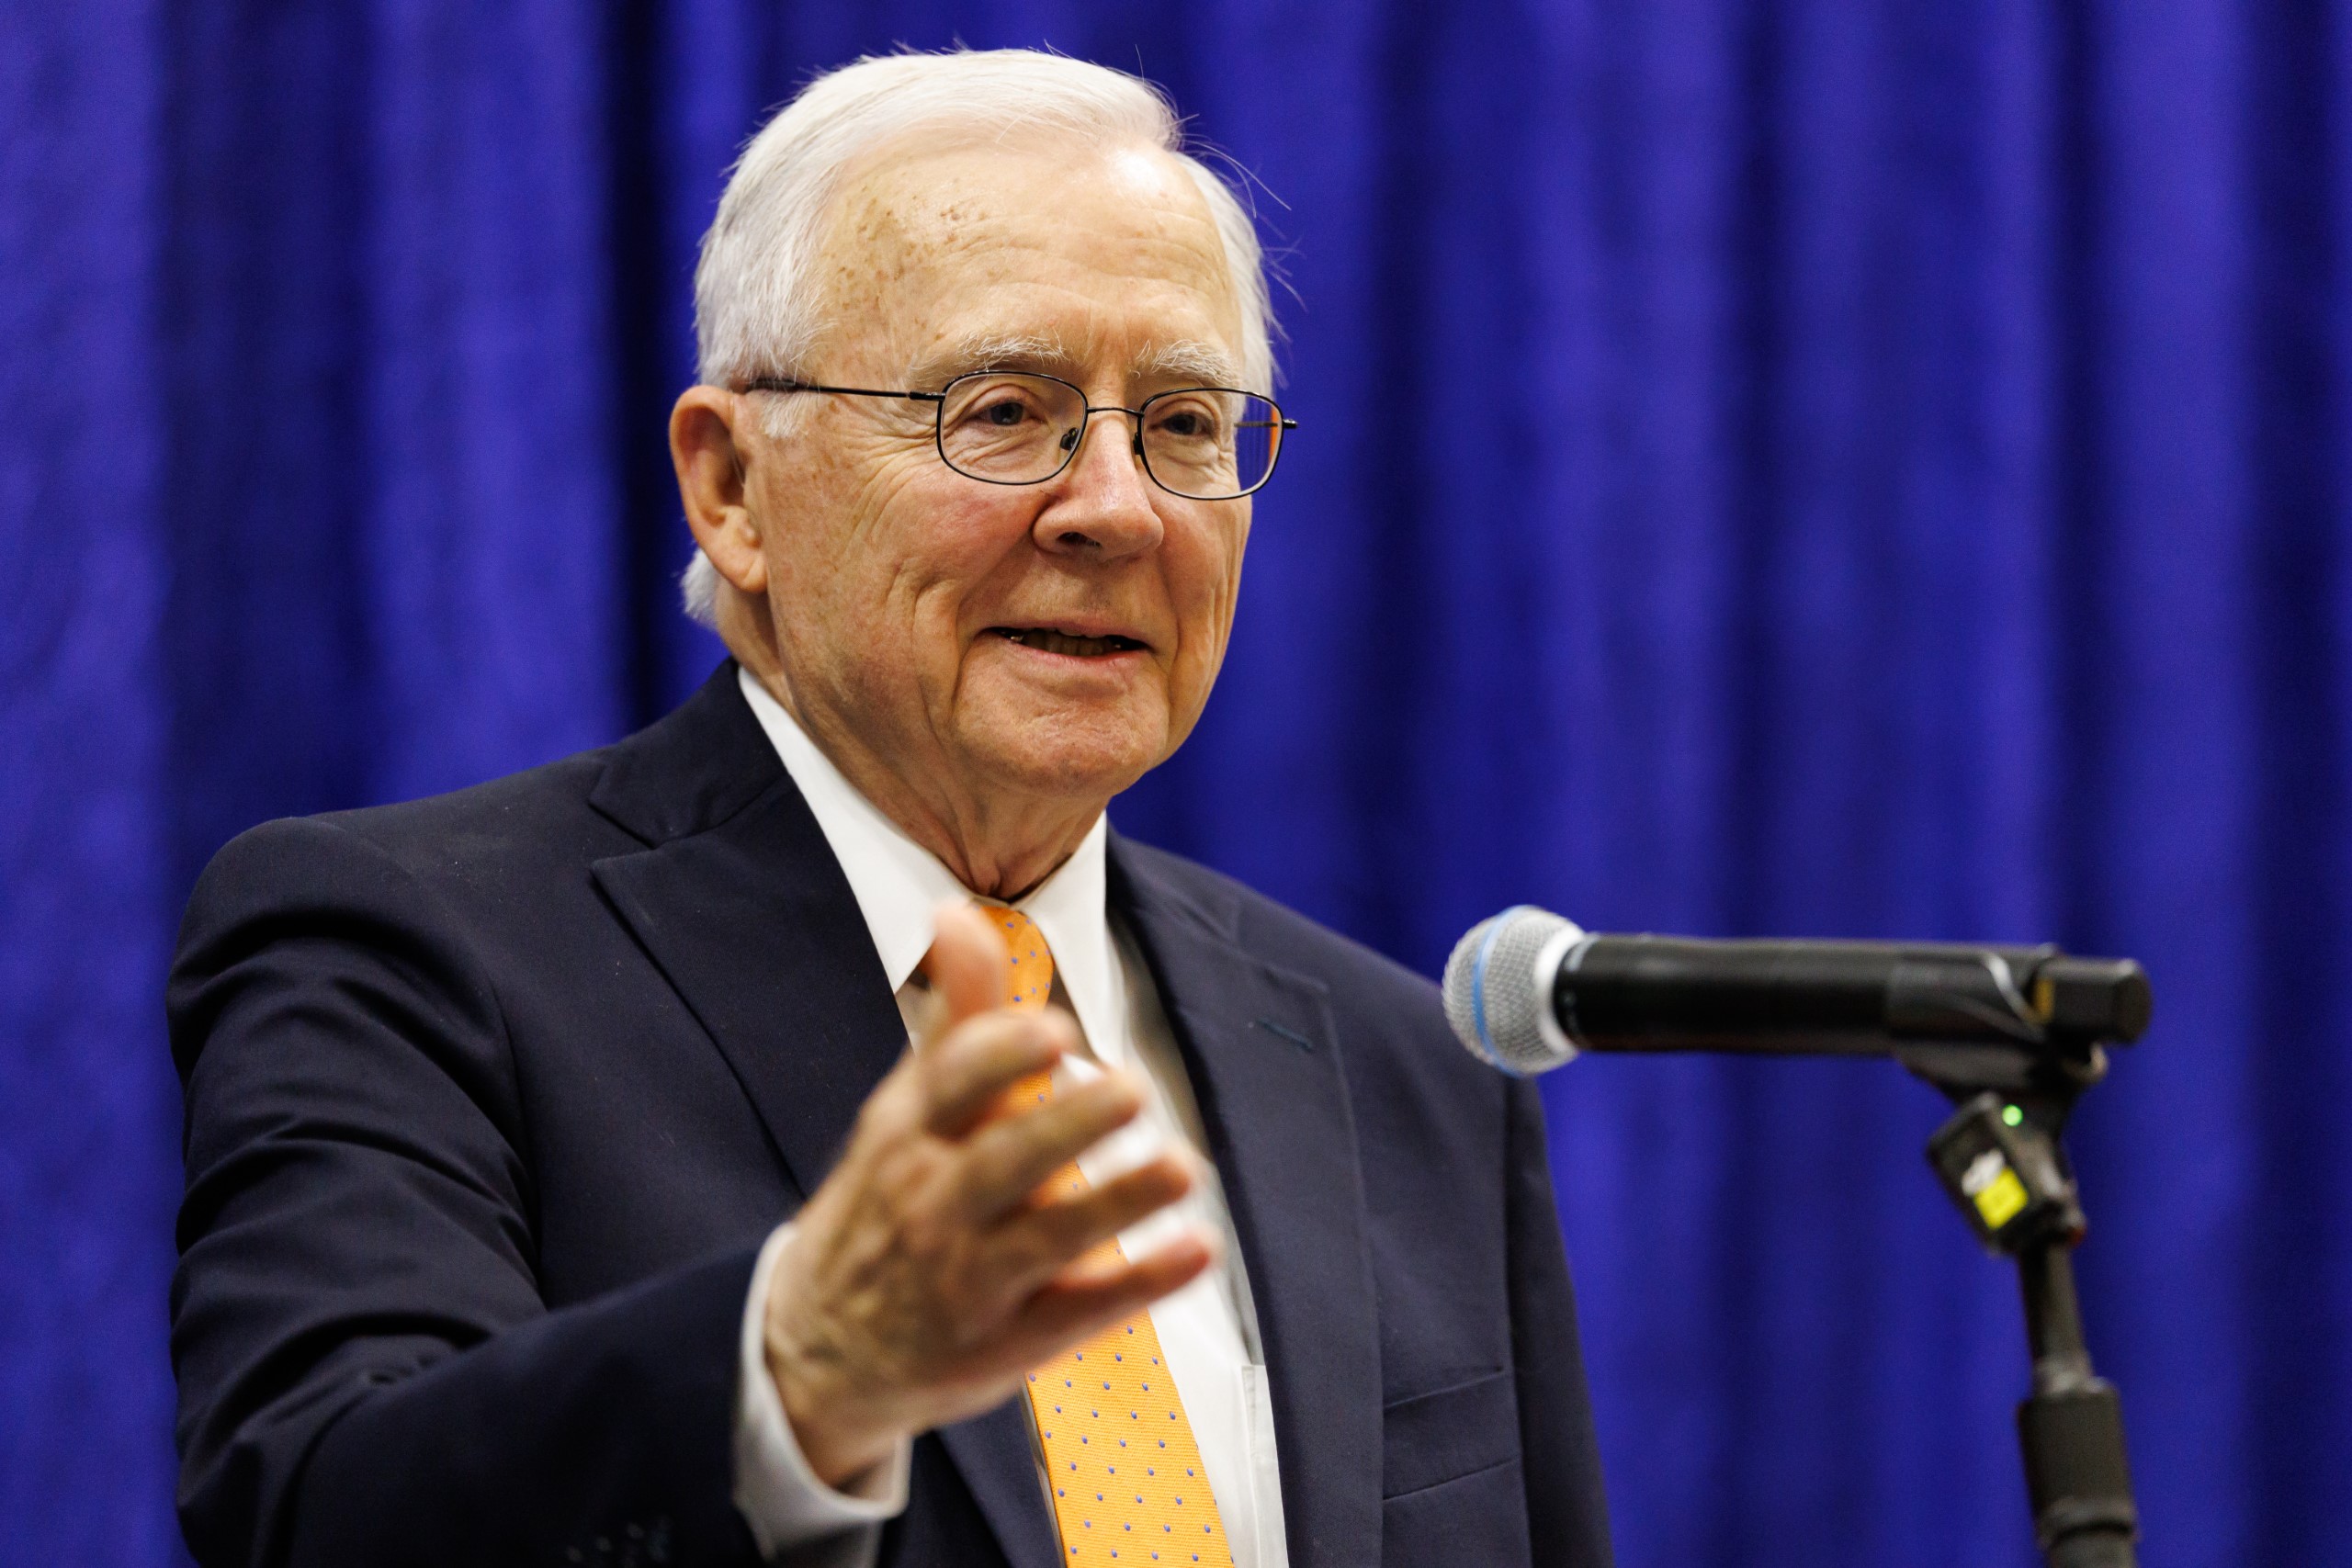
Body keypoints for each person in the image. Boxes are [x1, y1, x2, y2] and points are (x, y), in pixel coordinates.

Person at [166, 48, 1611, 1568]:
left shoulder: (1410, 1067)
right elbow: (317, 1506)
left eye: (1185, 424)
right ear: (732, 489)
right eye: (1000, 409)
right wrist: (796, 1374)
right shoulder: (405, 954)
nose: (1116, 509)